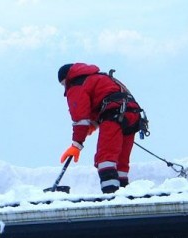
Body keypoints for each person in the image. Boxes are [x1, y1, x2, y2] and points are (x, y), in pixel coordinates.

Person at [57, 63, 147, 194]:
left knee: (105, 159)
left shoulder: (76, 84)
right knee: (120, 163)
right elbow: (102, 100)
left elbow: (80, 117)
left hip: (114, 116)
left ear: (67, 78)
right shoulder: (100, 78)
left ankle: (111, 194)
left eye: (63, 84)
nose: (65, 87)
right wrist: (94, 124)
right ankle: (123, 192)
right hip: (133, 116)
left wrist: (76, 145)